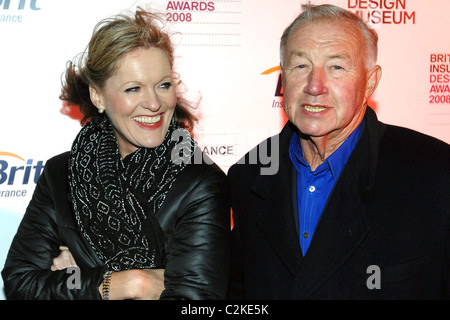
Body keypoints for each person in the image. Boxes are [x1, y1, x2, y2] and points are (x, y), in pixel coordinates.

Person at [2, 8, 230, 300]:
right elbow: (20, 283)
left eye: (164, 85)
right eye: (133, 89)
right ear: (98, 96)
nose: (153, 103)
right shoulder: (60, 175)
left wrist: (77, 277)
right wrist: (132, 283)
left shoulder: (201, 183)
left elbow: (194, 301)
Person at [228, 4, 450, 299]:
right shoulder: (248, 175)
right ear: (283, 78)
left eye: (336, 67)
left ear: (370, 82)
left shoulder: (435, 173)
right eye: (301, 66)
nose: (315, 86)